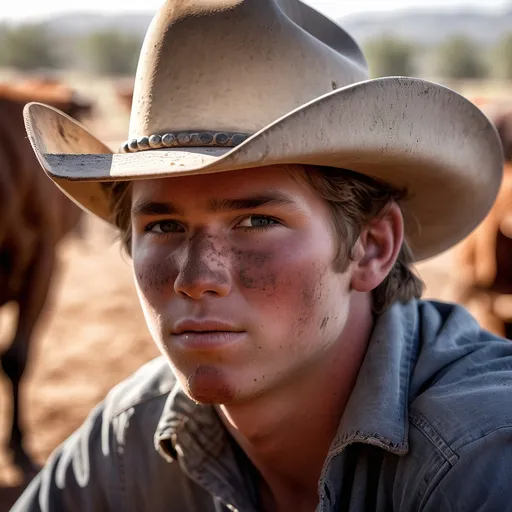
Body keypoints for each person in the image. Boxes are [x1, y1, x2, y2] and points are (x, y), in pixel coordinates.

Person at [13, 0, 509, 510]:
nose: (196, 277)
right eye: (163, 225)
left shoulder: (481, 464)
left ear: (372, 247)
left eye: (256, 222)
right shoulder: (128, 438)